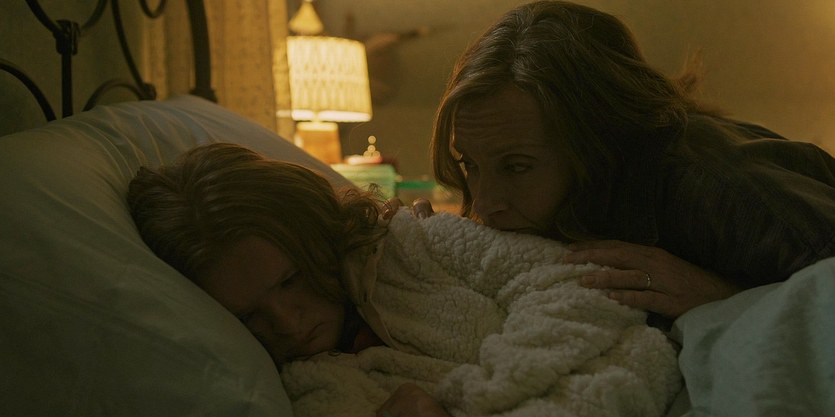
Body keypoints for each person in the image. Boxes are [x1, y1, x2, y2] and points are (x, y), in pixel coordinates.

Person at [128, 142, 681, 417]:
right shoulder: (312, 385)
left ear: (313, 235)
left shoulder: (418, 243)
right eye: (249, 315)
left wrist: (484, 391)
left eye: (290, 280)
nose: (287, 324)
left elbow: (578, 282)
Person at [426, 0, 835, 322]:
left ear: (597, 143)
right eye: (470, 165)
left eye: (517, 166)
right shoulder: (547, 202)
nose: (484, 203)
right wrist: (424, 252)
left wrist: (724, 297)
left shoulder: (714, 186)